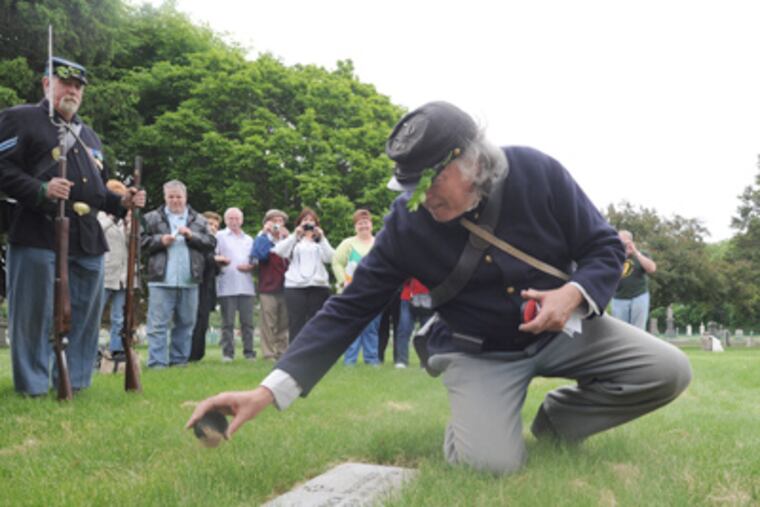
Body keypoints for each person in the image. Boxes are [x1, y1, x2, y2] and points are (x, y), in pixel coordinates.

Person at [188, 101, 691, 475]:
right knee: (489, 467)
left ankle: (557, 422)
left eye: (431, 180)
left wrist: (574, 294)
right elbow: (348, 310)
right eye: (409, 185)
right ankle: (477, 424)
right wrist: (268, 391)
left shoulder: (537, 172)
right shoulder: (405, 227)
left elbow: (605, 247)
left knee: (668, 370)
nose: (421, 198)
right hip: (481, 351)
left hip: (568, 331)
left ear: (471, 158)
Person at [0, 57, 145, 396]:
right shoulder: (19, 119)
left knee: (85, 316)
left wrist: (122, 201)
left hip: (88, 239)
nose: (72, 90)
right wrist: (39, 190)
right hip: (38, 231)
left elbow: (97, 190)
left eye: (78, 86)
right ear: (46, 84)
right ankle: (33, 386)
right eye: (65, 83)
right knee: (34, 316)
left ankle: (75, 381)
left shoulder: (88, 135)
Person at [142, 180, 215, 368]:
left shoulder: (199, 220)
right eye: (171, 197)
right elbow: (139, 242)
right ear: (165, 197)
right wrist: (160, 240)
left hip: (190, 279)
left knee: (186, 324)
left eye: (179, 197)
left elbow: (211, 242)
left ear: (186, 197)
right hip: (161, 279)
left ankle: (179, 362)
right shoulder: (150, 218)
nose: (175, 200)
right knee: (158, 325)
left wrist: (192, 236)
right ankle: (157, 363)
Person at [272, 207, 334, 342]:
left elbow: (330, 258)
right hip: (295, 286)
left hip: (318, 285)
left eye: (312, 221)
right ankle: (295, 354)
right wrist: (295, 235)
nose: (308, 223)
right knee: (296, 321)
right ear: (299, 222)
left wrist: (322, 238)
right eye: (305, 220)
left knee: (316, 321)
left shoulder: (320, 242)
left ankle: (314, 353)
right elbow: (280, 251)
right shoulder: (294, 240)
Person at [332, 209, 381, 365]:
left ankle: (372, 360)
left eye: (366, 223)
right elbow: (336, 262)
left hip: (374, 293)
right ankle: (350, 361)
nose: (363, 226)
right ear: (355, 227)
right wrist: (342, 280)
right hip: (350, 293)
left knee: (372, 328)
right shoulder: (348, 243)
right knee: (351, 327)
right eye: (360, 223)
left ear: (371, 225)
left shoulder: (379, 242)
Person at [215, 207, 256, 362]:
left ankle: (249, 352)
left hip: (246, 285)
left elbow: (254, 259)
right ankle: (228, 354)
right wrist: (221, 260)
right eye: (230, 218)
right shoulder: (220, 236)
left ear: (242, 220)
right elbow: (214, 254)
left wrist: (251, 266)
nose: (234, 221)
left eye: (236, 218)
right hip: (227, 285)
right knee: (228, 323)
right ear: (225, 220)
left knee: (247, 323)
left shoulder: (249, 239)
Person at [97, 180, 132, 359]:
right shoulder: (100, 215)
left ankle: (117, 349)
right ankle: (92, 348)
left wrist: (128, 224)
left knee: (119, 316)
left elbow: (133, 243)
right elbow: (97, 231)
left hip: (123, 275)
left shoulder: (127, 217)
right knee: (95, 313)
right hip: (105, 272)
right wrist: (112, 218)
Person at [250, 209, 290, 360]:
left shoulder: (288, 238)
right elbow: (261, 255)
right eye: (274, 221)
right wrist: (264, 235)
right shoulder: (261, 239)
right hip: (268, 287)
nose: (277, 224)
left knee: (284, 322)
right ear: (267, 223)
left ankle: (283, 352)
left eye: (280, 221)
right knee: (268, 323)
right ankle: (268, 353)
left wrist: (287, 238)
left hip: (286, 287)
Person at [189, 211, 222, 362]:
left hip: (208, 286)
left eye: (216, 225)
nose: (213, 227)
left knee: (204, 320)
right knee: (195, 319)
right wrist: (215, 261)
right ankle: (191, 353)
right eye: (210, 224)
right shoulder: (197, 242)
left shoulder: (213, 243)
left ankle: (197, 353)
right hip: (197, 285)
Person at [610, 230, 657, 330]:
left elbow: (652, 268)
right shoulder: (613, 255)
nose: (622, 245)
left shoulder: (641, 254)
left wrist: (635, 252)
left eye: (625, 242)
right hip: (619, 298)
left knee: (638, 330)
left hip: (639, 296)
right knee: (620, 330)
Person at [394, 278, 433, 368]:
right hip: (408, 297)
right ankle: (402, 360)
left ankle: (425, 363)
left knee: (427, 331)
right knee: (404, 328)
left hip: (428, 297)